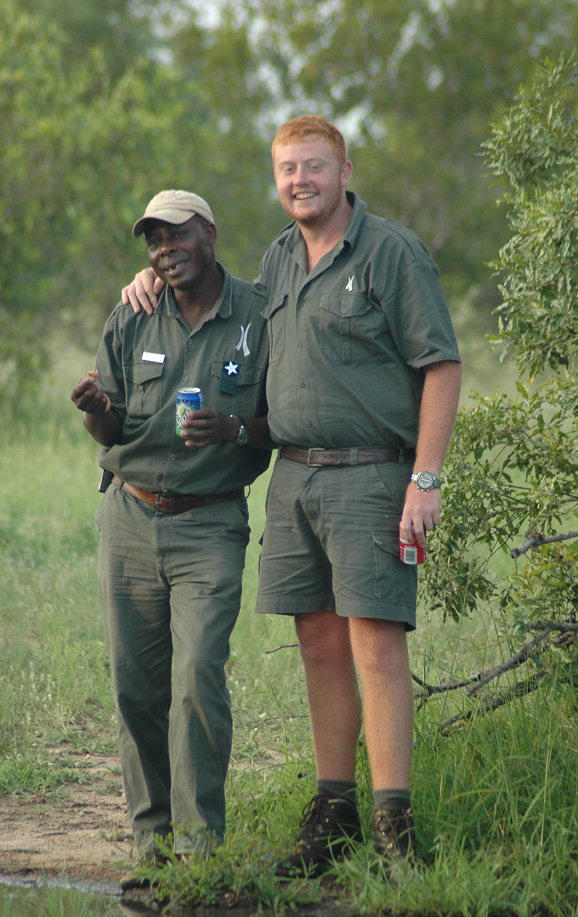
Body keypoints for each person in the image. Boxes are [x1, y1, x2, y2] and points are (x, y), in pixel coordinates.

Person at [122, 117, 462, 878]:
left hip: (373, 472)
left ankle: (394, 825)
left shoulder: (390, 252)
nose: (299, 180)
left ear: (345, 170)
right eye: (286, 170)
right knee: (316, 640)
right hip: (295, 475)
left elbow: (441, 366)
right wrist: (154, 274)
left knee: (376, 641)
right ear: (275, 180)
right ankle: (333, 813)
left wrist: (425, 478)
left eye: (313, 166)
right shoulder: (276, 261)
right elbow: (210, 293)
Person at [71, 190, 272, 889]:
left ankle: (200, 846)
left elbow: (286, 418)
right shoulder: (133, 312)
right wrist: (98, 412)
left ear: (209, 233)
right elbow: (114, 428)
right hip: (129, 516)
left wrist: (236, 429)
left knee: (196, 678)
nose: (165, 250)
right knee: (135, 686)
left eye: (178, 235)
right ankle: (151, 843)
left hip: (211, 521)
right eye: (154, 241)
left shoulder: (257, 313)